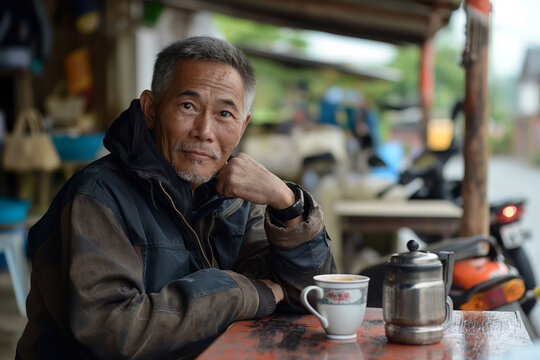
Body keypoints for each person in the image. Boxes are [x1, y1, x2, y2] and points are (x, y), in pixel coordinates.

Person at [16, 36, 337, 359]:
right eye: (188, 106)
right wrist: (244, 293)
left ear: (243, 126)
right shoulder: (98, 196)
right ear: (150, 109)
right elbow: (113, 331)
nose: (204, 131)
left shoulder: (238, 200)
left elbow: (314, 297)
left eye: (225, 114)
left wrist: (287, 204)